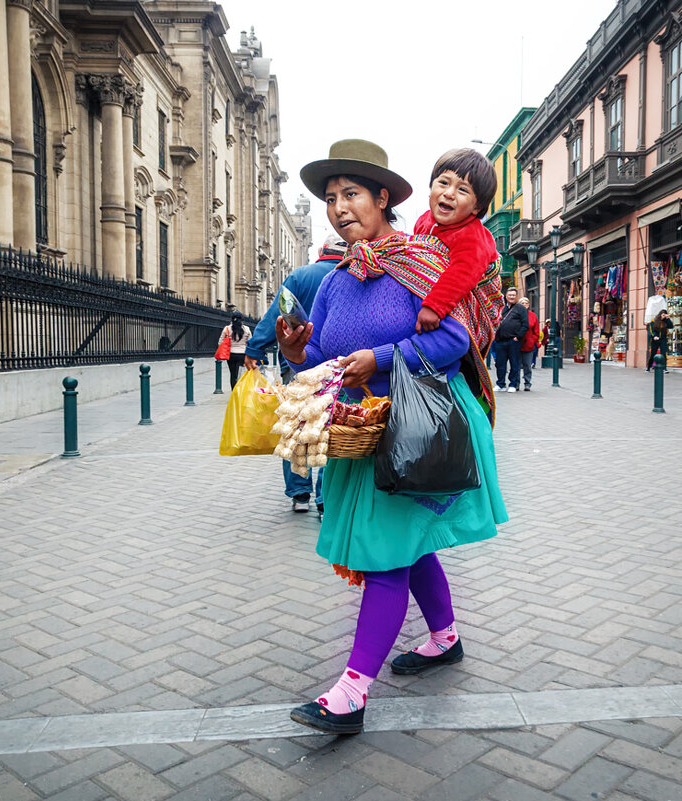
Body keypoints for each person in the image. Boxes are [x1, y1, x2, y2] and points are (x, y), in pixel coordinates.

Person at [279, 138, 507, 735]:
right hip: (364, 431)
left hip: (415, 429)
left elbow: (453, 343)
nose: (339, 207)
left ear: (384, 200)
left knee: (385, 557)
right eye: (331, 198)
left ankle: (351, 693)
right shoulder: (334, 280)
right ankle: (445, 638)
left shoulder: (422, 263)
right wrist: (299, 351)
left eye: (351, 194)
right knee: (409, 544)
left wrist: (377, 357)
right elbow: (328, 354)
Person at [244, 233, 347, 516]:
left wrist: (255, 347)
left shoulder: (301, 276)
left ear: (321, 251)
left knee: (297, 427)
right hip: (337, 367)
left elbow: (276, 315)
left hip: (299, 363)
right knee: (332, 427)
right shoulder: (349, 275)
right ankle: (326, 496)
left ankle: (300, 492)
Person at [410, 148, 500, 335]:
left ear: (477, 207)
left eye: (462, 190)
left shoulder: (471, 235)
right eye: (443, 182)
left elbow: (463, 271)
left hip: (450, 311)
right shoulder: (423, 221)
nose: (449, 193)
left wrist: (434, 306)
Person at [493, 287, 528, 392]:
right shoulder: (501, 308)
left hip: (513, 341)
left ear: (516, 296)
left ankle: (513, 384)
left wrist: (518, 337)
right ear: (506, 296)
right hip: (500, 341)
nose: (512, 297)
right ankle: (501, 384)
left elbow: (525, 324)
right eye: (510, 295)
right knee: (500, 364)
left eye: (513, 295)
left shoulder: (520, 308)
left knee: (514, 363)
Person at [220, 312, 253, 388]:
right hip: (242, 354)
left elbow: (220, 342)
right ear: (242, 320)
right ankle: (239, 392)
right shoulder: (246, 329)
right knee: (240, 374)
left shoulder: (227, 329)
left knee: (233, 374)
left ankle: (234, 392)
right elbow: (250, 342)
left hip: (230, 354)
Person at [519, 297, 541, 391]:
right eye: (522, 303)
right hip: (517, 344)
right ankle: (515, 383)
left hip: (528, 345)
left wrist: (532, 340)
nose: (524, 305)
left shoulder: (532, 316)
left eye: (526, 303)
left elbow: (536, 332)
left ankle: (527, 383)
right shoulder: (516, 314)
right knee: (516, 366)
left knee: (527, 365)